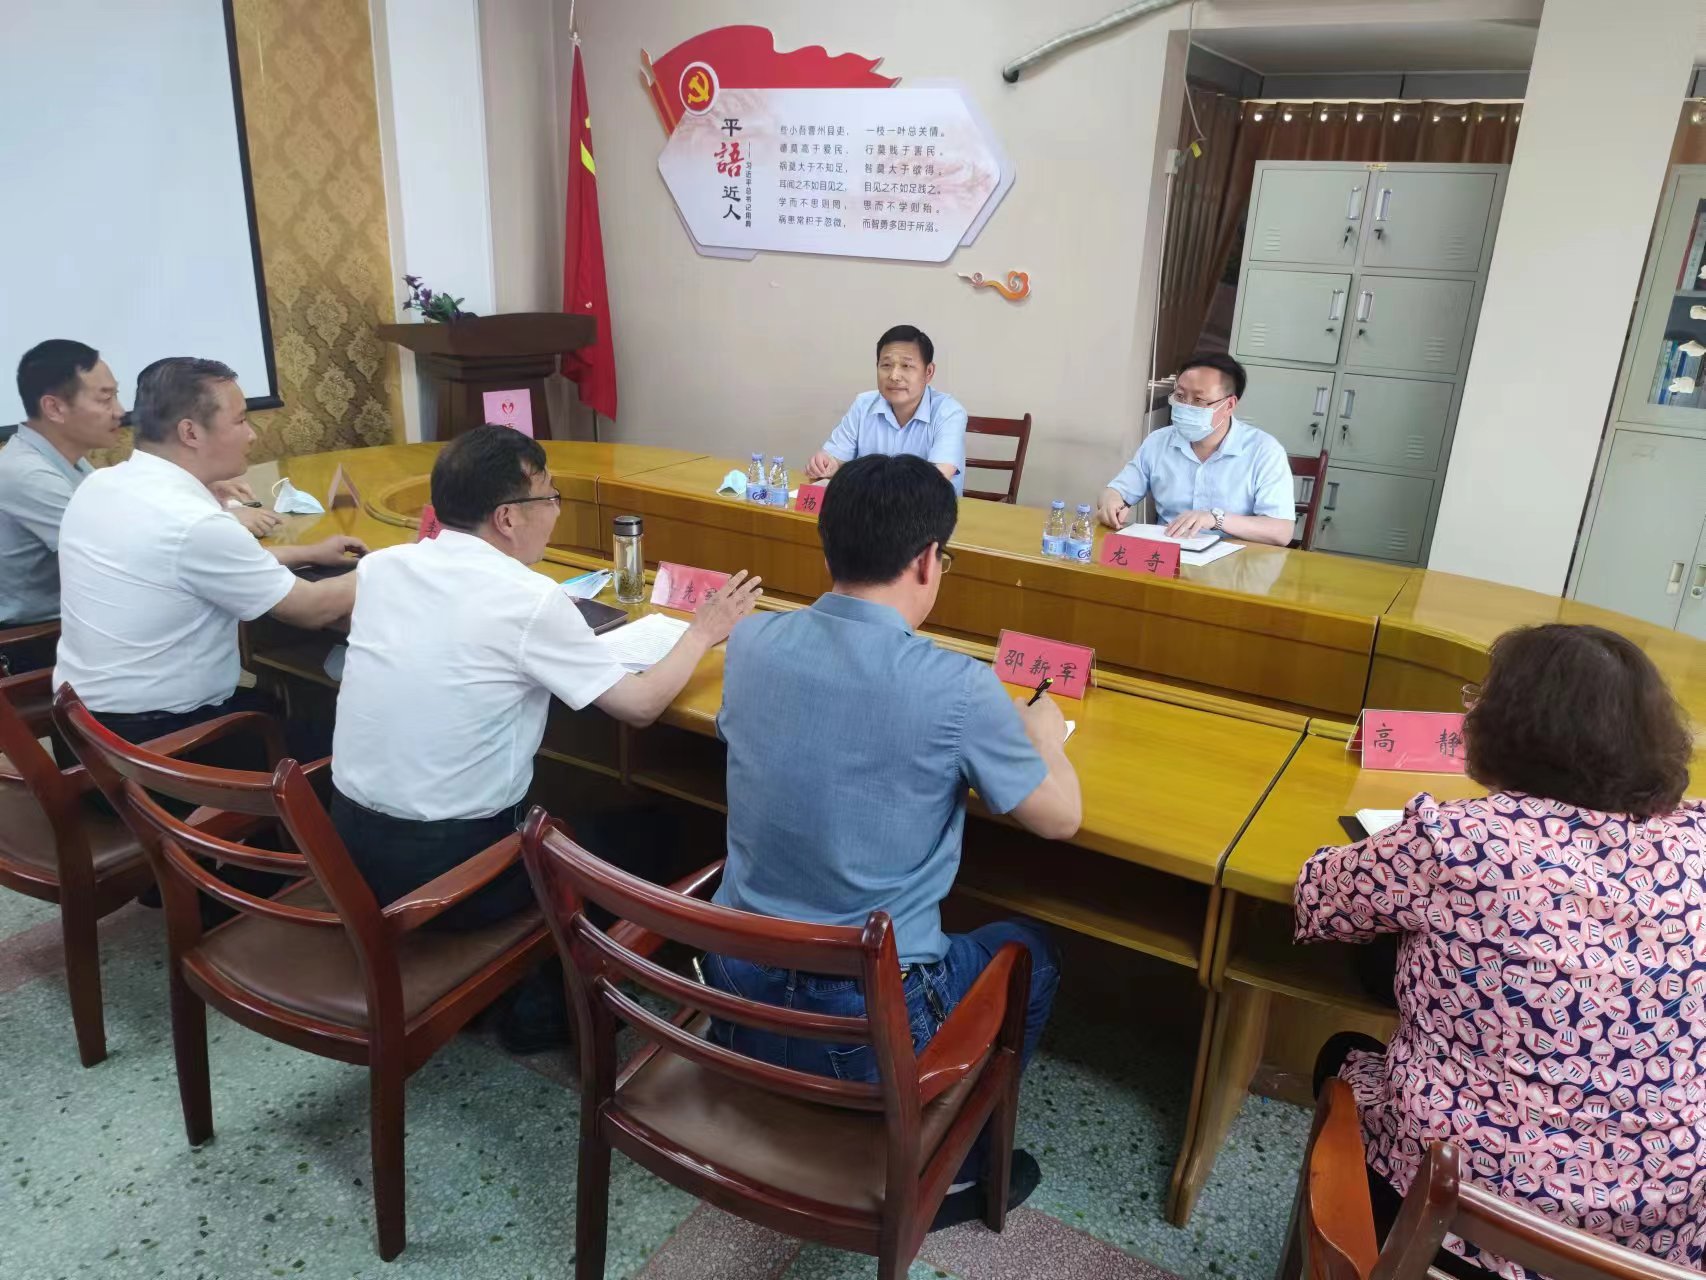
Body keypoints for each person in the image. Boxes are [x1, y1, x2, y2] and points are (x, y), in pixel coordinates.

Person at [706, 453, 1081, 1225]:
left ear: (828, 548)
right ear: (928, 560)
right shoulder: (958, 686)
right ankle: (962, 1169)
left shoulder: (750, 643)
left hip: (737, 991)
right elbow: (1060, 818)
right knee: (1032, 952)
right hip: (861, 1028)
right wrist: (1043, 736)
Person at [1294, 624, 1706, 1280]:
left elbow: (1317, 898)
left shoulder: (1456, 842)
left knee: (1345, 1053)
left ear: (1509, 727)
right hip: (1648, 1247)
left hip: (1452, 1224)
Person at [329, 426, 762, 1045]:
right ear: (507, 517)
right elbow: (640, 706)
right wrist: (703, 631)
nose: (555, 512)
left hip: (348, 850)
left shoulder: (385, 566)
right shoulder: (528, 599)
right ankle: (548, 1011)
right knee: (658, 836)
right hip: (450, 871)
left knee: (574, 806)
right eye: (549, 497)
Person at [53, 356, 363, 749]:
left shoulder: (101, 484)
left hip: (84, 730)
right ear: (191, 432)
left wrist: (309, 553)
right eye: (240, 420)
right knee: (342, 740)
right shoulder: (195, 524)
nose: (251, 435)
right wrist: (392, 565)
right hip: (163, 745)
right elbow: (311, 608)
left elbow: (184, 567)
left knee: (286, 706)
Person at [0, 342, 279, 675]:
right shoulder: (25, 474)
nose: (120, 412)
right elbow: (125, 543)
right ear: (54, 408)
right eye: (105, 399)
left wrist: (195, 486)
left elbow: (127, 510)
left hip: (94, 622)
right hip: (44, 639)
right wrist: (221, 518)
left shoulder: (65, 460)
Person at [1096, 353, 1295, 545]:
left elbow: (1281, 531)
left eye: (1199, 400)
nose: (1186, 406)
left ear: (1229, 405)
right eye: (1180, 396)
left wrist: (1216, 519)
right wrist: (1111, 502)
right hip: (1168, 553)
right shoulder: (1158, 442)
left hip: (1234, 560)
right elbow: (1117, 490)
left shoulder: (1264, 451)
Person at [805, 324, 968, 494]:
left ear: (928, 372)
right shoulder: (863, 405)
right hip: (867, 508)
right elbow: (835, 457)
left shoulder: (949, 413)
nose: (894, 376)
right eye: (886, 365)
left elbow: (935, 480)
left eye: (906, 366)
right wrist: (827, 464)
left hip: (926, 510)